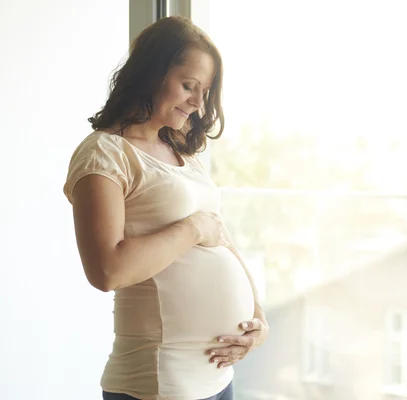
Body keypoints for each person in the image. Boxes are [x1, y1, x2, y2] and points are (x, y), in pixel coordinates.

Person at [63, 16, 269, 400]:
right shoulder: (104, 154)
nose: (197, 102)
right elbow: (107, 269)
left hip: (217, 377)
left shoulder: (182, 153)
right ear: (151, 73)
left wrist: (257, 314)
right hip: (159, 382)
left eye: (205, 91)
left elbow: (218, 233)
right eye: (188, 86)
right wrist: (191, 228)